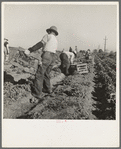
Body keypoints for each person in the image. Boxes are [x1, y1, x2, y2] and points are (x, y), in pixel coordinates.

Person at [25, 26, 58, 103]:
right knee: (46, 73)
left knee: (39, 74)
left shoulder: (48, 36)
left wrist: (30, 50)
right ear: (55, 33)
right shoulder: (55, 39)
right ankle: (48, 89)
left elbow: (41, 44)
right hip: (53, 56)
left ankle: (37, 93)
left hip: (47, 55)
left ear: (49, 31)